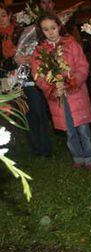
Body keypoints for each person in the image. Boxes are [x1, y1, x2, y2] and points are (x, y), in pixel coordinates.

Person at [31, 13, 91, 169]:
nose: (50, 32)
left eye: (53, 28)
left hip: (76, 94)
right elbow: (37, 75)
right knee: (69, 130)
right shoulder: (39, 51)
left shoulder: (72, 44)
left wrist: (72, 81)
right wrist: (52, 87)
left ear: (59, 26)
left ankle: (90, 157)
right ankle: (78, 157)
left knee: (83, 129)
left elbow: (82, 66)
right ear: (41, 31)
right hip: (58, 98)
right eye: (46, 29)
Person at [0, 4, 52, 157]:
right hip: (9, 83)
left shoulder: (23, 31)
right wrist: (13, 60)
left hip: (30, 77)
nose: (0, 19)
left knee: (38, 111)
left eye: (3, 14)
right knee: (23, 115)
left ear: (10, 15)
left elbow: (38, 50)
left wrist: (32, 58)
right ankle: (34, 148)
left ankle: (45, 148)